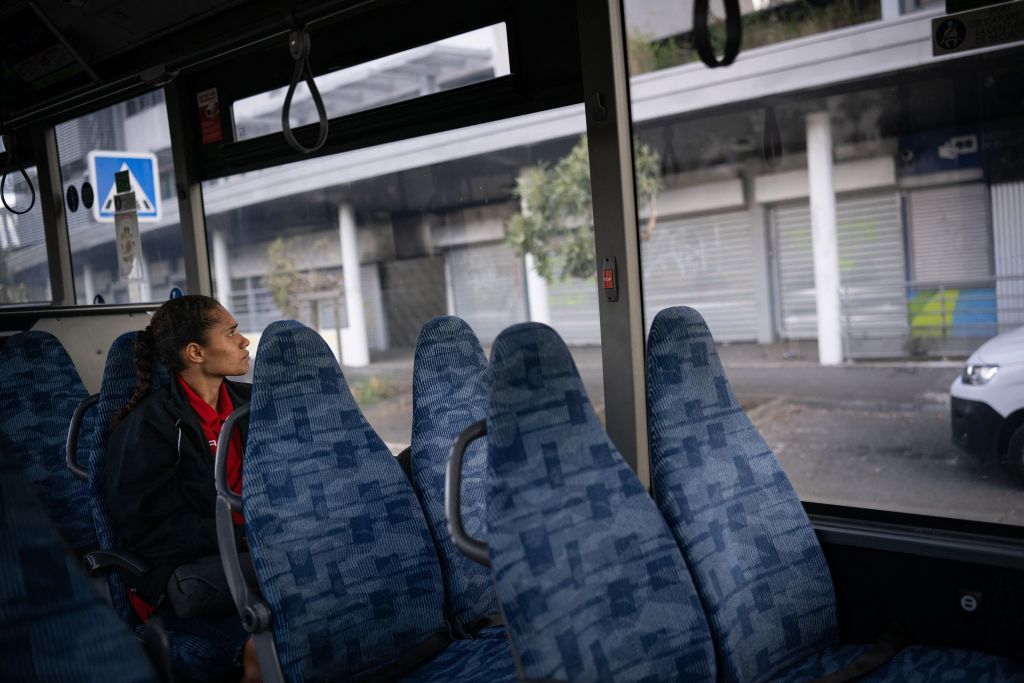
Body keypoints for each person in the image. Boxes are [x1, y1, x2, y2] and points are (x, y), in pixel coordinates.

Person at [106, 295, 261, 683]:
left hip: (260, 557)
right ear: (196, 352)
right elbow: (150, 528)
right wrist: (244, 536)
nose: (244, 341)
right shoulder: (150, 427)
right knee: (262, 649)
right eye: (231, 333)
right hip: (192, 573)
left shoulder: (255, 405)